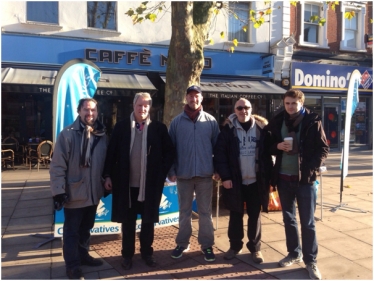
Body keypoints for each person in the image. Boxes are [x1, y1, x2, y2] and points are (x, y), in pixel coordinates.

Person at [103, 92, 175, 270]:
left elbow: (170, 152)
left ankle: (147, 253)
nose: (142, 108)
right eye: (139, 105)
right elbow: (110, 154)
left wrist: (161, 173)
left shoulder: (158, 128)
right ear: (133, 106)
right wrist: (107, 175)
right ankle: (127, 255)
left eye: (146, 105)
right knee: (128, 223)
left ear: (149, 107)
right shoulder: (121, 127)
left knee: (148, 222)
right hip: (126, 185)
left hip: (149, 186)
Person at [264, 89, 329, 280]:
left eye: (294, 103)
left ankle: (311, 261)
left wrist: (311, 168)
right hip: (284, 178)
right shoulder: (277, 120)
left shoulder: (312, 121)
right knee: (288, 219)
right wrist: (277, 146)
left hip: (304, 180)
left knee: (308, 223)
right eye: (287, 103)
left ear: (301, 103)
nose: (290, 107)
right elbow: (266, 145)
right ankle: (294, 253)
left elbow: (323, 149)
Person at [50, 98, 107, 280]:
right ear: (79, 111)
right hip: (74, 193)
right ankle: (73, 266)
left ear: (97, 112)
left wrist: (107, 179)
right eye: (86, 110)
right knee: (71, 232)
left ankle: (83, 256)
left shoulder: (102, 135)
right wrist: (58, 191)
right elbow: (58, 166)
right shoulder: (67, 134)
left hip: (92, 193)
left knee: (86, 229)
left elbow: (106, 163)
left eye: (93, 110)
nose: (90, 114)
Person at [213, 98, 273, 264]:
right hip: (235, 181)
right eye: (239, 108)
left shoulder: (262, 129)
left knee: (255, 216)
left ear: (251, 109)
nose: (243, 110)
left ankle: (255, 249)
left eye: (246, 107)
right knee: (235, 215)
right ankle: (234, 247)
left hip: (255, 181)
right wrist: (225, 177)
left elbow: (268, 154)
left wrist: (268, 177)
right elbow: (220, 155)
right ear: (235, 110)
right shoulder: (227, 130)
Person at [168, 85, 220, 262]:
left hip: (205, 175)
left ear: (201, 98)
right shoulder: (176, 122)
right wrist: (172, 170)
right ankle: (182, 243)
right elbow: (170, 149)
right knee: (184, 212)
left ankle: (206, 245)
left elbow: (218, 148)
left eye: (196, 96)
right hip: (183, 175)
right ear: (186, 98)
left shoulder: (211, 121)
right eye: (190, 96)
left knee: (205, 212)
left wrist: (218, 170)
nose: (193, 99)